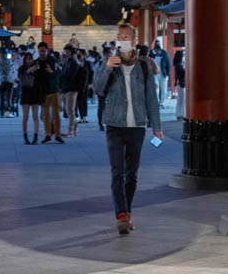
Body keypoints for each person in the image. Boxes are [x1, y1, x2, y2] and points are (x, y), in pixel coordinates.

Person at [94, 28, 162, 234]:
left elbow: (151, 98)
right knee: (117, 172)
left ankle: (128, 212)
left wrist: (157, 128)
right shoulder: (109, 63)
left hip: (137, 126)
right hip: (114, 124)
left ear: (134, 40)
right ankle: (121, 214)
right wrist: (106, 68)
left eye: (126, 37)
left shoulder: (144, 67)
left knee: (131, 174)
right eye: (119, 37)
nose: (122, 40)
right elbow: (97, 88)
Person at [36, 45, 64, 144]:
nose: (42, 53)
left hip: (54, 91)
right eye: (40, 51)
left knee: (56, 115)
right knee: (45, 115)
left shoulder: (53, 61)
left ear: (47, 51)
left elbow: (60, 72)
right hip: (43, 92)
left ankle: (57, 135)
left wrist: (51, 72)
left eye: (44, 51)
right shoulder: (37, 62)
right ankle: (48, 134)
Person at [18, 45, 46, 143]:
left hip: (35, 93)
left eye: (31, 59)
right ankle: (25, 136)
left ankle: (35, 136)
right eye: (27, 59)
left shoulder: (37, 69)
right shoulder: (21, 68)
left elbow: (42, 80)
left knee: (35, 116)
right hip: (25, 93)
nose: (29, 61)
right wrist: (31, 69)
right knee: (25, 116)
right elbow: (22, 75)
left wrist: (37, 70)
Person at [60, 49, 86, 132]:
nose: (64, 53)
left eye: (66, 51)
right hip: (65, 89)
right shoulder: (67, 62)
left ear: (70, 52)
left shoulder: (73, 63)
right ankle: (75, 129)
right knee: (68, 111)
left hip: (71, 89)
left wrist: (64, 77)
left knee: (70, 111)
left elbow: (72, 76)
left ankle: (71, 131)